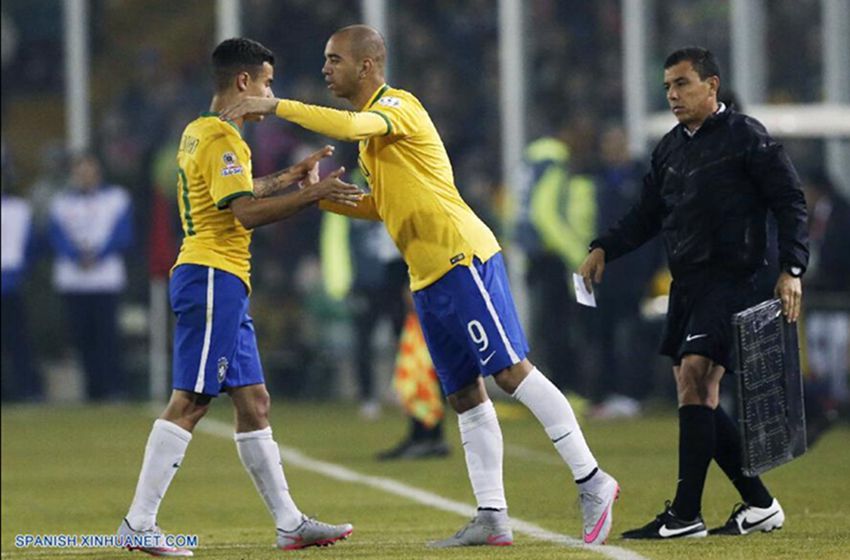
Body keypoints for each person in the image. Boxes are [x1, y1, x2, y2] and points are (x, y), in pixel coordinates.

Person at [220, 24, 619, 547]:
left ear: (366, 66)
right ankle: (492, 516)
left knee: (510, 372)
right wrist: (328, 197)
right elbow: (385, 205)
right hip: (427, 275)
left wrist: (276, 107)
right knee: (461, 394)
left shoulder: (399, 107)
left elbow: (347, 123)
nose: (325, 69)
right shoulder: (370, 139)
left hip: (462, 256)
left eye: (334, 59)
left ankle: (592, 479)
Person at [117, 38, 362, 556]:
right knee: (191, 400)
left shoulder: (198, 132)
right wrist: (312, 194)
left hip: (222, 278)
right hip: (211, 276)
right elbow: (243, 213)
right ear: (244, 83)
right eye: (268, 83)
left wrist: (287, 177)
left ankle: (289, 523)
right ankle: (139, 522)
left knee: (255, 403)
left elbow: (234, 193)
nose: (270, 94)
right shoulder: (225, 139)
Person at [578, 47, 809, 539]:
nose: (673, 95)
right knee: (694, 387)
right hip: (691, 283)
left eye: (682, 84)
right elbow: (647, 216)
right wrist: (604, 247)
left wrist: (792, 268)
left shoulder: (746, 137)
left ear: (712, 86)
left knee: (698, 376)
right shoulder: (670, 148)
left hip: (736, 279)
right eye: (667, 87)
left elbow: (790, 201)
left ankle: (685, 514)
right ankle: (759, 503)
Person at [48, 152, 134, 401]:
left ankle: (114, 388)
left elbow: (123, 234)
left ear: (98, 172)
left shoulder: (116, 198)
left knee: (108, 337)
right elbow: (56, 237)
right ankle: (92, 390)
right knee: (81, 338)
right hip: (73, 281)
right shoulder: (61, 203)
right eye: (80, 170)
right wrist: (76, 257)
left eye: (89, 170)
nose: (85, 175)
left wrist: (98, 255)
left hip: (106, 280)